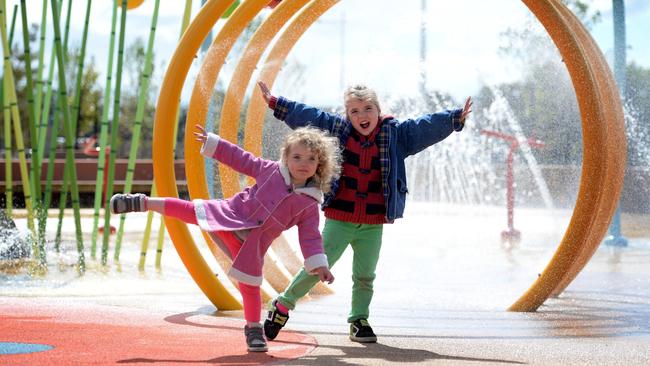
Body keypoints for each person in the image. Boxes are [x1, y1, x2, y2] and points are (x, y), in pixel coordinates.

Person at [258, 81, 472, 343]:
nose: (362, 116)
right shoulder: (336, 130)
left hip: (373, 223)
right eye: (355, 111)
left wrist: (452, 119)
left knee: (365, 276)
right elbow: (310, 116)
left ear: (378, 111)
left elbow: (422, 128)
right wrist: (277, 103)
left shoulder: (395, 135)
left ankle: (359, 320)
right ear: (347, 114)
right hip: (340, 218)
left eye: (368, 108)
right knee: (317, 267)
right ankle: (282, 306)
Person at [109, 124, 339, 352]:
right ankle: (143, 202)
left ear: (320, 165)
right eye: (297, 157)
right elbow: (242, 159)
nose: (303, 163)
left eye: (311, 159)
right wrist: (214, 144)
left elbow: (310, 237)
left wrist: (319, 265)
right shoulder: (270, 171)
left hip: (252, 244)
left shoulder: (309, 204)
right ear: (286, 157)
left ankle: (253, 329)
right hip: (231, 215)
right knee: (192, 211)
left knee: (250, 284)